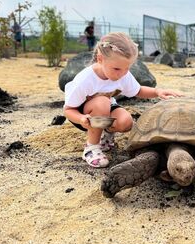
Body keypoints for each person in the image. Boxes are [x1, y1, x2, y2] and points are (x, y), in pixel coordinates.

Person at [64, 32, 182, 168]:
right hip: (83, 116)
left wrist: (157, 91)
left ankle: (105, 135)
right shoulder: (85, 80)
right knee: (102, 102)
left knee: (126, 122)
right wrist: (81, 119)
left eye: (127, 68)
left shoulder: (122, 74)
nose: (122, 74)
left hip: (105, 109)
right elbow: (68, 110)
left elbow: (138, 91)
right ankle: (91, 148)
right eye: (117, 69)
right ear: (100, 59)